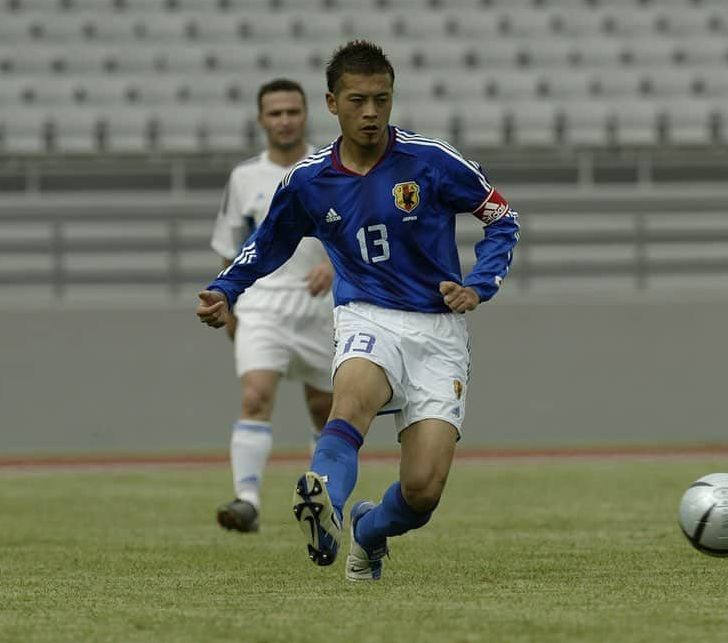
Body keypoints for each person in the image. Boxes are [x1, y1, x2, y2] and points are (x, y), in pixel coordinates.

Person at [197, 40, 520, 580]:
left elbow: (503, 219)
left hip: (438, 331)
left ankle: (369, 532)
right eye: (357, 100)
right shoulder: (308, 179)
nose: (370, 112)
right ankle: (326, 509)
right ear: (331, 103)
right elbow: (267, 242)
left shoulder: (432, 161)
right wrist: (226, 289)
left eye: (381, 99)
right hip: (366, 315)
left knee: (422, 492)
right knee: (348, 407)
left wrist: (480, 284)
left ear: (392, 98)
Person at [209, 78, 334, 533]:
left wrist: (337, 269)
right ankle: (247, 500)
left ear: (307, 114)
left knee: (325, 409)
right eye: (275, 113)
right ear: (261, 119)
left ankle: (326, 497)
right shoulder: (244, 179)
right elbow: (230, 245)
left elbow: (357, 235)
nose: (284, 120)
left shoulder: (331, 167)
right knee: (255, 395)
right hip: (262, 303)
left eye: (292, 112)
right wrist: (228, 299)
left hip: (323, 306)